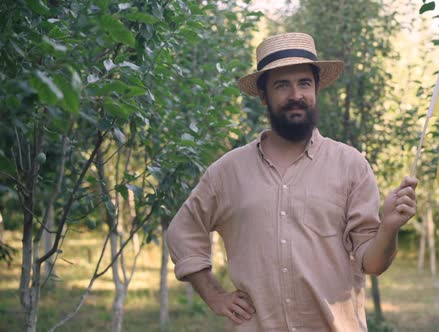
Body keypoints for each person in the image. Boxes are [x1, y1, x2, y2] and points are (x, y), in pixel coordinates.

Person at [166, 32, 418, 332]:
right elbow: (182, 232)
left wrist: (389, 227)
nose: (295, 95)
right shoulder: (227, 172)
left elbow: (373, 263)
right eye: (282, 85)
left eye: (304, 83)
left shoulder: (351, 166)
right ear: (263, 96)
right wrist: (215, 296)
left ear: (316, 89)